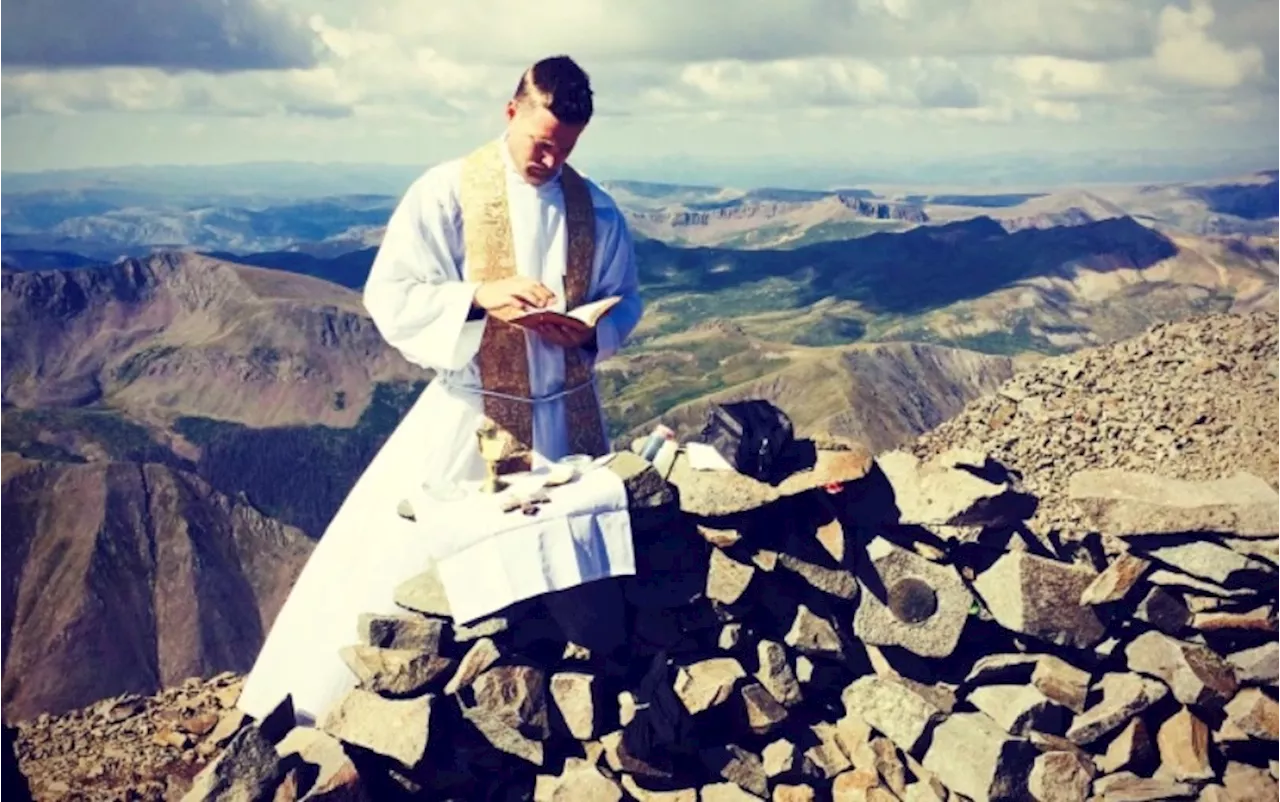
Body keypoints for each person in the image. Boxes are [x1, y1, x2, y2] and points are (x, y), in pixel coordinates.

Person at [235, 55, 644, 726]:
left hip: (568, 419)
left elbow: (624, 300)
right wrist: (480, 297)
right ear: (511, 111)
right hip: (474, 413)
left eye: (564, 148)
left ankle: (554, 697)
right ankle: (368, 709)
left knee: (571, 569)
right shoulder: (447, 192)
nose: (549, 159)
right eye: (540, 141)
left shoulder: (595, 208)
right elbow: (392, 293)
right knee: (415, 573)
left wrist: (591, 332)